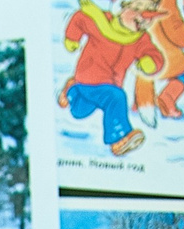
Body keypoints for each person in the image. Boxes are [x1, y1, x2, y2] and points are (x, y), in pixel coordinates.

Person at [61, 0, 166, 155]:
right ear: (121, 8)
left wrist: (150, 62)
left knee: (79, 111)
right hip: (89, 76)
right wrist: (72, 38)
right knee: (116, 97)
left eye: (149, 13)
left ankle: (72, 91)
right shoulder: (101, 21)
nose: (143, 18)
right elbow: (80, 19)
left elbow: (154, 54)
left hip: (110, 83)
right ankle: (119, 137)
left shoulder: (139, 39)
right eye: (136, 10)